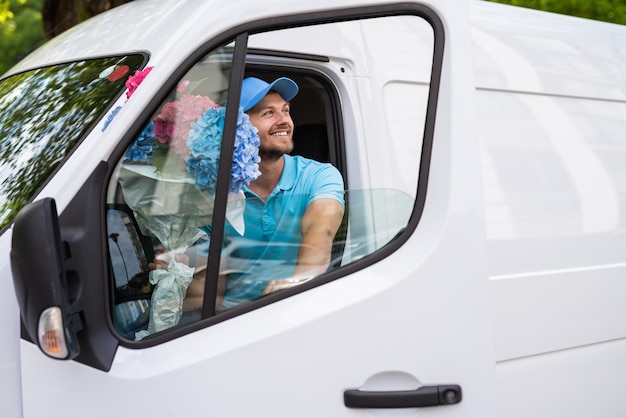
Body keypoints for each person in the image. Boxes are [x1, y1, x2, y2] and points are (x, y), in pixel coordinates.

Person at [185, 76, 345, 309]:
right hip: (229, 318)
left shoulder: (319, 176)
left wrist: (294, 282)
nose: (284, 121)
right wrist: (180, 269)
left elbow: (321, 233)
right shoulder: (214, 193)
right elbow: (211, 288)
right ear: (237, 129)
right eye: (268, 113)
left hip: (296, 306)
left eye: (286, 111)